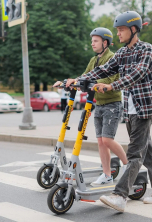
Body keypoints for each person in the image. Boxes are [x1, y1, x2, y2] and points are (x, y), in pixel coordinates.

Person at [66, 11, 152, 212]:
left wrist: (111, 87)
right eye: (117, 30)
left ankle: (120, 195)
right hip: (130, 110)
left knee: (134, 155)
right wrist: (79, 80)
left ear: (133, 30)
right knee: (146, 152)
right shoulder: (122, 53)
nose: (118, 34)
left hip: (143, 109)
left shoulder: (146, 50)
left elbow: (136, 75)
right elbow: (103, 70)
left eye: (121, 30)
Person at [54, 27, 128, 186]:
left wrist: (95, 84)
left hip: (112, 104)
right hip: (99, 104)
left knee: (107, 140)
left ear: (105, 42)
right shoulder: (94, 60)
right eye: (92, 41)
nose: (92, 43)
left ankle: (129, 166)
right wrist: (73, 81)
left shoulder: (112, 58)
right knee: (101, 141)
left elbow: (112, 80)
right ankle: (107, 175)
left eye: (95, 41)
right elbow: (85, 76)